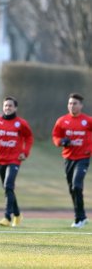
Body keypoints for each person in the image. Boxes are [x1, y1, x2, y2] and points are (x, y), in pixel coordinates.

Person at [0, 96, 33, 227]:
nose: (7, 108)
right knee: (8, 188)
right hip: (0, 159)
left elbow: (29, 138)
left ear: (15, 108)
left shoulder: (21, 123)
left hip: (15, 160)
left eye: (10, 106)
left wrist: (25, 152)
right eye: (6, 105)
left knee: (8, 186)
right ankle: (17, 214)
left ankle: (7, 217)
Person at [52, 93, 92, 228]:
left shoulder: (88, 121)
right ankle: (83, 216)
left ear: (81, 105)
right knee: (72, 189)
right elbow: (56, 136)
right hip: (68, 158)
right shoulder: (62, 121)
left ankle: (78, 219)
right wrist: (61, 141)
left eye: (75, 103)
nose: (72, 106)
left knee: (76, 185)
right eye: (70, 103)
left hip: (83, 158)